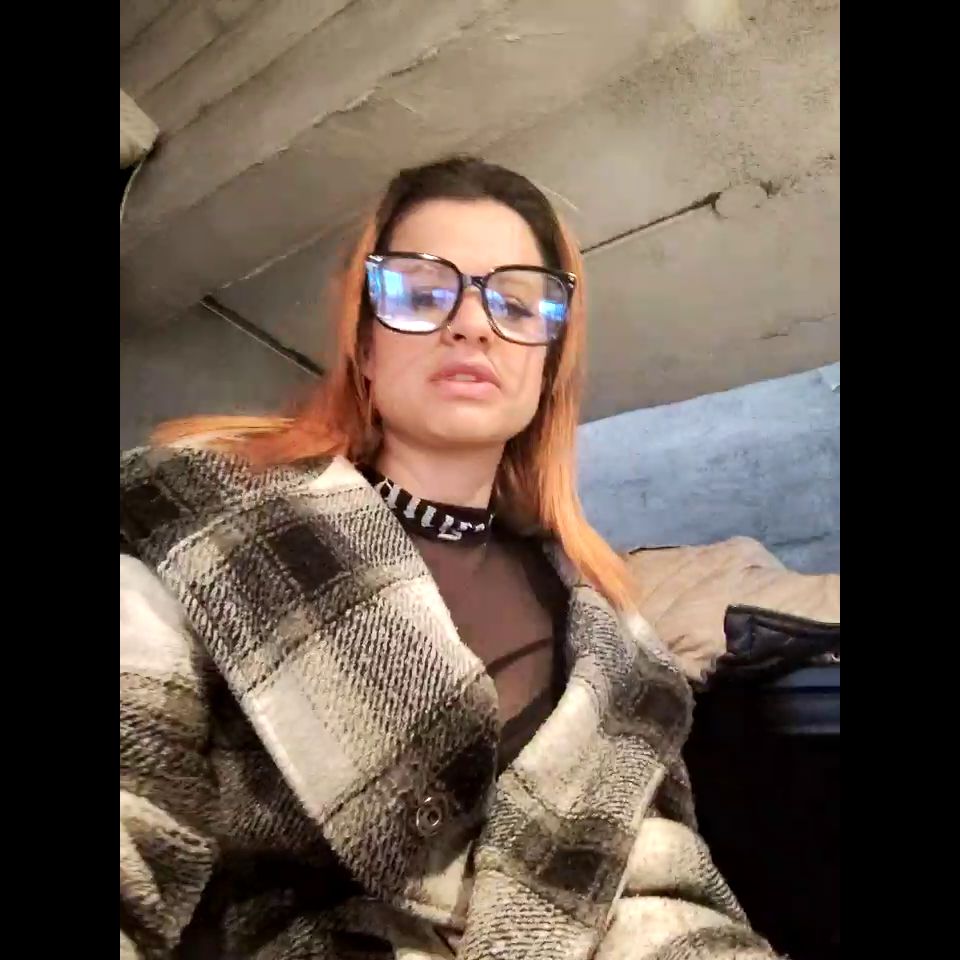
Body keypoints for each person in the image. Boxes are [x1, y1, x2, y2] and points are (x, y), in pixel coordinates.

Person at [121, 156, 810, 959]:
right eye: (421, 294)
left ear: (546, 365)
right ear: (364, 344)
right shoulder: (205, 526)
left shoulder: (609, 635)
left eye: (517, 304)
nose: (473, 324)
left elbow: (655, 897)